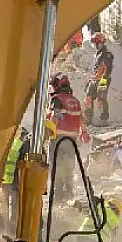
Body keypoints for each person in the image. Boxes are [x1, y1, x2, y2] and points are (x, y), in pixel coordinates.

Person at [47, 74, 90, 202]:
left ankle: (58, 197)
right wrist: (84, 132)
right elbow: (81, 119)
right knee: (69, 168)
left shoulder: (57, 99)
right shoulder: (75, 101)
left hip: (58, 139)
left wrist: (47, 132)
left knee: (56, 167)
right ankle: (69, 195)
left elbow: (56, 116)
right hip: (72, 140)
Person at [0, 126, 29, 237]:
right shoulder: (20, 145)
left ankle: (4, 230)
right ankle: (11, 232)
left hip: (5, 180)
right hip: (13, 181)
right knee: (14, 208)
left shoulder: (12, 144)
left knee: (5, 208)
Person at [84, 32, 114, 127]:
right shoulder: (97, 54)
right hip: (95, 79)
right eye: (94, 43)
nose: (95, 45)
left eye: (96, 43)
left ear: (101, 42)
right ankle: (88, 118)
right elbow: (96, 69)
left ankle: (104, 119)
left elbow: (108, 68)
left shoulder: (107, 54)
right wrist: (90, 80)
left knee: (101, 99)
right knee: (88, 98)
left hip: (103, 79)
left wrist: (104, 79)